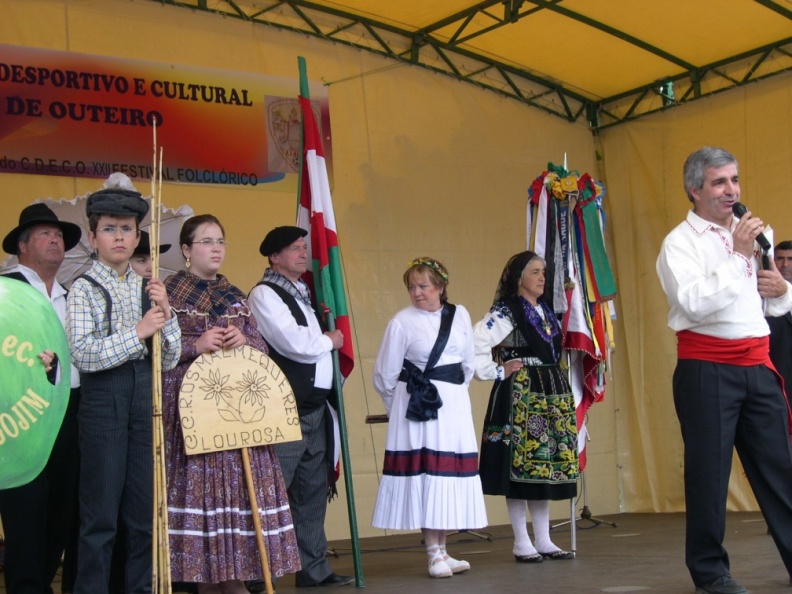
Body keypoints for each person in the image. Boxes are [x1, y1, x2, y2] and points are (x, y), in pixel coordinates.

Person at [656, 146, 792, 594]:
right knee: (709, 476)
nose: (731, 190)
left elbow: (768, 305)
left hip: (758, 364)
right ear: (694, 190)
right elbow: (694, 304)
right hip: (707, 368)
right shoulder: (680, 243)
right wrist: (738, 255)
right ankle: (711, 574)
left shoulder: (754, 233)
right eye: (719, 182)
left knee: (781, 470)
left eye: (734, 179)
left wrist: (781, 291)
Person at [162, 215, 300, 594]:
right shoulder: (169, 294)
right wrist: (195, 345)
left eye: (220, 241)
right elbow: (154, 350)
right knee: (204, 495)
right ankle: (208, 583)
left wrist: (245, 340)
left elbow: (262, 349)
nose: (216, 248)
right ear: (187, 249)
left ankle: (235, 578)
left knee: (239, 496)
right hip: (194, 418)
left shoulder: (235, 296)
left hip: (238, 419)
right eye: (206, 241)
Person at [66, 186, 181, 594]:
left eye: (127, 229)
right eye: (109, 229)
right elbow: (84, 354)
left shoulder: (149, 287)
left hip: (145, 400)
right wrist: (138, 332)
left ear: (136, 238)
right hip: (103, 403)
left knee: (144, 516)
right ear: (93, 236)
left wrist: (166, 310)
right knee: (99, 518)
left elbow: (170, 358)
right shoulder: (82, 288)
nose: (119, 236)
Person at [248, 226, 353, 588]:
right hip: (285, 410)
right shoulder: (265, 294)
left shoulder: (305, 294)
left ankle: (313, 569)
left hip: (315, 410)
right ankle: (258, 574)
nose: (302, 253)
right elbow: (293, 343)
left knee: (311, 492)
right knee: (273, 492)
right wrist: (329, 339)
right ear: (274, 257)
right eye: (294, 248)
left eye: (304, 247)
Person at [371, 257, 487, 579]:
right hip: (418, 409)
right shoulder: (401, 322)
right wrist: (400, 407)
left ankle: (444, 550)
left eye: (423, 286)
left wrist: (454, 396)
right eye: (412, 287)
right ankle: (433, 553)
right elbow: (385, 374)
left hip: (452, 406)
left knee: (445, 474)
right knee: (427, 474)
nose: (416, 292)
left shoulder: (459, 314)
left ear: (440, 286)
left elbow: (467, 365)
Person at [472, 250, 578, 564]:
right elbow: (475, 342)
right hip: (521, 393)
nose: (542, 278)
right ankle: (521, 541)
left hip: (548, 393)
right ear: (519, 278)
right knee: (519, 467)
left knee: (541, 464)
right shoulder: (507, 311)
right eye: (535, 272)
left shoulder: (544, 310)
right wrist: (496, 371)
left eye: (543, 272)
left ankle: (543, 539)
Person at [0, 203, 82, 594]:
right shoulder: (7, 291)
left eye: (59, 235)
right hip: (21, 412)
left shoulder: (72, 295)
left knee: (60, 510)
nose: (55, 240)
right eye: (45, 234)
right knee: (25, 509)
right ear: (22, 245)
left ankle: (42, 584)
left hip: (69, 411)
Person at [767, 240, 792, 391]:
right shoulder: (762, 294)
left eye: (790, 259)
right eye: (780, 258)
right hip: (774, 376)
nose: (785, 264)